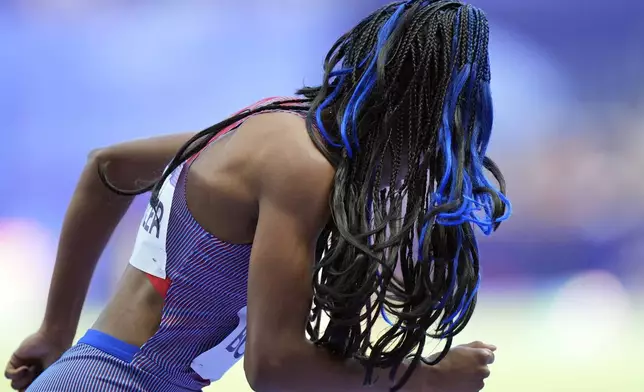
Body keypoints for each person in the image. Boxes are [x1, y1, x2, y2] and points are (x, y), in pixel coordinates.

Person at [4, 1, 510, 391]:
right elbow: (273, 366)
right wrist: (425, 378)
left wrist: (55, 330)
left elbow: (107, 167)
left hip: (104, 371)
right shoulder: (302, 169)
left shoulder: (279, 122)